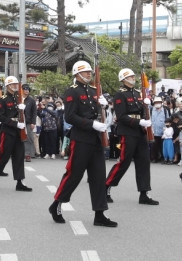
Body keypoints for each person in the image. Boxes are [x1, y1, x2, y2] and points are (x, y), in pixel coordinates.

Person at [49, 61, 116, 227]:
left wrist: (105, 107)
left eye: (89, 72)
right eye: (85, 72)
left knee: (98, 177)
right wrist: (91, 124)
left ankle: (99, 214)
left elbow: (98, 113)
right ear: (77, 74)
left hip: (96, 139)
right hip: (81, 139)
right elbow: (69, 117)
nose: (89, 74)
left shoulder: (94, 91)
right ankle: (56, 203)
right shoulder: (72, 92)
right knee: (74, 175)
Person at [105, 68, 158, 205]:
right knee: (124, 161)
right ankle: (106, 186)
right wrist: (139, 121)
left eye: (134, 76)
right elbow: (121, 116)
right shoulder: (119, 95)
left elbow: (141, 112)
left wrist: (146, 105)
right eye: (130, 76)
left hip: (140, 131)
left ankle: (144, 193)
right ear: (123, 79)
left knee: (144, 162)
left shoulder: (137, 93)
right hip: (127, 131)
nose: (133, 78)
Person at [0, 76, 32, 192]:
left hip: (19, 131)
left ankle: (20, 181)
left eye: (16, 84)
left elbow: (21, 115)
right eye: (12, 84)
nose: (15, 86)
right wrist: (15, 124)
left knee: (19, 157)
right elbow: (0, 116)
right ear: (7, 86)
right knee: (4, 156)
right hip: (8, 131)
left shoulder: (18, 97)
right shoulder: (2, 99)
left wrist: (22, 113)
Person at [22, 84, 37, 162]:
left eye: (28, 89)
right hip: (19, 122)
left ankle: (28, 155)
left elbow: (34, 112)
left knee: (29, 138)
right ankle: (19, 154)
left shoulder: (31, 100)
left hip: (28, 122)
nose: (26, 90)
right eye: (25, 89)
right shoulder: (18, 99)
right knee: (19, 138)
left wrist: (33, 122)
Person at [151, 97, 168, 163]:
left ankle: (163, 157)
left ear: (161, 103)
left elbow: (168, 120)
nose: (157, 104)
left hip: (163, 132)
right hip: (154, 131)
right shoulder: (151, 110)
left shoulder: (165, 110)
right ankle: (154, 158)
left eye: (159, 102)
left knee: (162, 146)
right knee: (154, 146)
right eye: (156, 102)